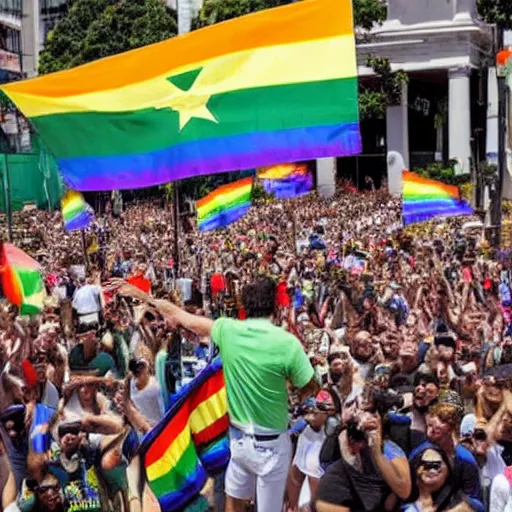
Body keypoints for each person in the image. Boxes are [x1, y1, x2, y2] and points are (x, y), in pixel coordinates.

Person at [117, 276, 318, 512]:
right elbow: (310, 386)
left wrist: (144, 297)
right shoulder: (287, 344)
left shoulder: (227, 330)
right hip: (272, 447)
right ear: (275, 305)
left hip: (239, 444)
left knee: (232, 505)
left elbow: (180, 315)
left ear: (244, 305)